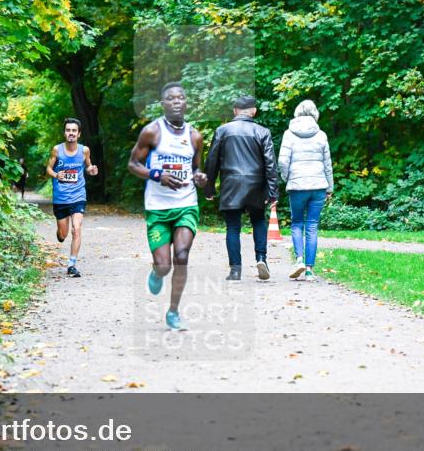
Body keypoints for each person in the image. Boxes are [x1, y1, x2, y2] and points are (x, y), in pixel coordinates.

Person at [127, 82, 208, 331]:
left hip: (186, 204)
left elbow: (197, 168)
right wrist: (156, 175)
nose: (176, 101)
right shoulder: (152, 132)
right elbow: (133, 164)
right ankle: (157, 273)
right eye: (171, 98)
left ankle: (173, 311)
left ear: (186, 103)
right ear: (163, 104)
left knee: (182, 256)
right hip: (158, 207)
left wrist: (200, 177)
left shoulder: (195, 136)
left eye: (180, 98)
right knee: (164, 265)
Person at [203, 95, 278, 281]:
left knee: (233, 227)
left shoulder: (222, 130)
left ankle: (235, 270)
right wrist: (272, 191)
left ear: (235, 111)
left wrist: (209, 188)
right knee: (259, 221)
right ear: (254, 111)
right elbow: (270, 164)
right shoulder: (262, 132)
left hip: (231, 184)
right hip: (256, 184)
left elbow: (211, 161)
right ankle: (261, 259)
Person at [278, 99, 334, 281]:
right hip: (318, 185)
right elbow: (327, 164)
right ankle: (309, 270)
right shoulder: (322, 134)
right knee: (312, 226)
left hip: (297, 186)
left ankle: (299, 259)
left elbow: (282, 161)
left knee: (296, 224)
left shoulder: (289, 134)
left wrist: (288, 178)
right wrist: (330, 187)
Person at [46, 118, 98, 277]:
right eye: (68, 130)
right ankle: (60, 232)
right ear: (64, 133)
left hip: (78, 195)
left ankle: (72, 265)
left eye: (74, 131)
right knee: (63, 235)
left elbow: (88, 165)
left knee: (77, 229)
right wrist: (56, 174)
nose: (71, 133)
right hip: (60, 198)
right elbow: (48, 168)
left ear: (79, 134)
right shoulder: (57, 150)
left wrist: (91, 169)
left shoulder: (84, 151)